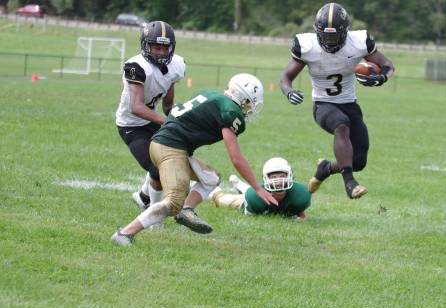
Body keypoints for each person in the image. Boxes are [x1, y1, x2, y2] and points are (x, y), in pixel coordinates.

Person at [111, 73, 278, 246]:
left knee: (211, 178)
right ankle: (125, 233)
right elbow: (236, 158)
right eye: (250, 103)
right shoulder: (230, 110)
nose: (249, 108)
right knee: (174, 200)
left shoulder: (211, 94)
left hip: (168, 144)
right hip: (170, 147)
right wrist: (258, 188)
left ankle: (187, 209)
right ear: (243, 99)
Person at [279, 2, 394, 200]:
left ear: (345, 31)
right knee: (341, 125)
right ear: (317, 31)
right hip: (323, 105)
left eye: (334, 35)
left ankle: (324, 169)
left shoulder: (358, 41)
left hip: (350, 104)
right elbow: (285, 77)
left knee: (358, 161)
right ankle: (350, 183)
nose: (330, 40)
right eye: (326, 35)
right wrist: (289, 92)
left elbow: (388, 65)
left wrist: (380, 77)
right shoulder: (307, 46)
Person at [115, 21, 184, 213]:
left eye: (164, 47)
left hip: (153, 120)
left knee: (177, 156)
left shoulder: (177, 64)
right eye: (156, 47)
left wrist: (173, 112)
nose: (161, 52)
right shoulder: (136, 66)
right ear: (146, 45)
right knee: (158, 170)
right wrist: (166, 120)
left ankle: (143, 197)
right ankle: (155, 217)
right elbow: (136, 107)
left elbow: (169, 90)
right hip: (132, 125)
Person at [210, 157, 311, 219]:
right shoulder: (254, 197)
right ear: (265, 179)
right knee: (222, 200)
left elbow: (299, 211)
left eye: (282, 176)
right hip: (246, 200)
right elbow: (250, 216)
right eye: (274, 177)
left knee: (250, 191)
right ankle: (212, 189)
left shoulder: (300, 193)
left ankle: (238, 184)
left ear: (290, 176)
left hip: (258, 192)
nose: (278, 181)